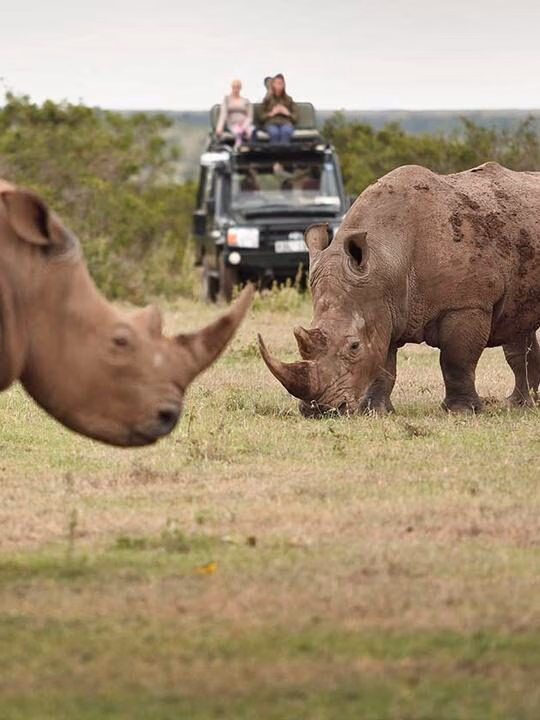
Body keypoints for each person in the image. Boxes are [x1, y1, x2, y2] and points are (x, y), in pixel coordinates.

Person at [260, 73, 297, 144]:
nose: (279, 86)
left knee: (286, 131)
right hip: (271, 123)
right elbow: (261, 117)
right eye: (277, 83)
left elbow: (295, 117)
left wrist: (287, 113)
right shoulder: (267, 99)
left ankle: (284, 154)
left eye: (281, 83)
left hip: (286, 123)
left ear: (283, 85)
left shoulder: (289, 99)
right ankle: (274, 154)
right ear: (273, 85)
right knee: (274, 133)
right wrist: (272, 113)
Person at [215, 79, 253, 148]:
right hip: (233, 124)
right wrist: (219, 127)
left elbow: (249, 116)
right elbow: (223, 115)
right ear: (231, 87)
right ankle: (238, 148)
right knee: (238, 132)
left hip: (245, 125)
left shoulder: (245, 101)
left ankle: (251, 150)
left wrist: (244, 126)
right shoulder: (227, 99)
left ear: (240, 88)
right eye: (234, 87)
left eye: (237, 87)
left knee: (251, 132)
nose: (236, 89)